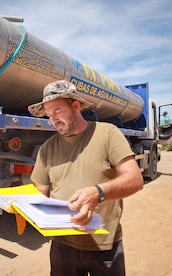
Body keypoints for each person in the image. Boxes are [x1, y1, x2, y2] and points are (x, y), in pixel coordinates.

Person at [28, 80, 144, 276]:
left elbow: (135, 179)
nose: (53, 120)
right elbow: (39, 193)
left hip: (104, 245)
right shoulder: (47, 148)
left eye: (57, 111)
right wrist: (18, 205)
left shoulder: (107, 134)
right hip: (62, 245)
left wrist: (98, 192)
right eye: (49, 115)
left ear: (75, 106)